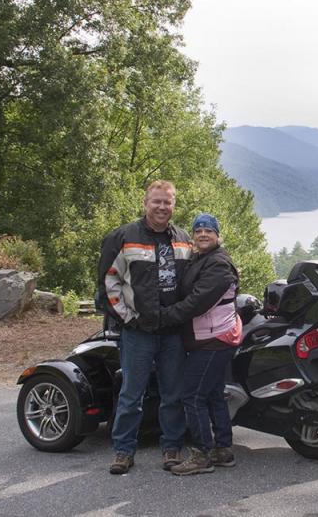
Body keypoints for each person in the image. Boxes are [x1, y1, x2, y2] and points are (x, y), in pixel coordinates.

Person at [97, 180, 192, 475]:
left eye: (168, 202)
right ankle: (124, 451)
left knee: (172, 393)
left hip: (173, 331)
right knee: (131, 394)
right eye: (157, 201)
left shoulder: (184, 239)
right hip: (138, 331)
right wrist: (128, 318)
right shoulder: (124, 236)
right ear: (145, 203)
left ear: (174, 205)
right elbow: (107, 282)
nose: (162, 207)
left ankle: (172, 447)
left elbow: (193, 282)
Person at [159, 213, 242, 475]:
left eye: (209, 230)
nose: (203, 234)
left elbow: (197, 302)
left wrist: (163, 316)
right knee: (214, 393)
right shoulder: (202, 259)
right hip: (211, 336)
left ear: (218, 235)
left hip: (213, 339)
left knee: (192, 395)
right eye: (198, 230)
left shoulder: (218, 265)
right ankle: (223, 450)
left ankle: (201, 454)